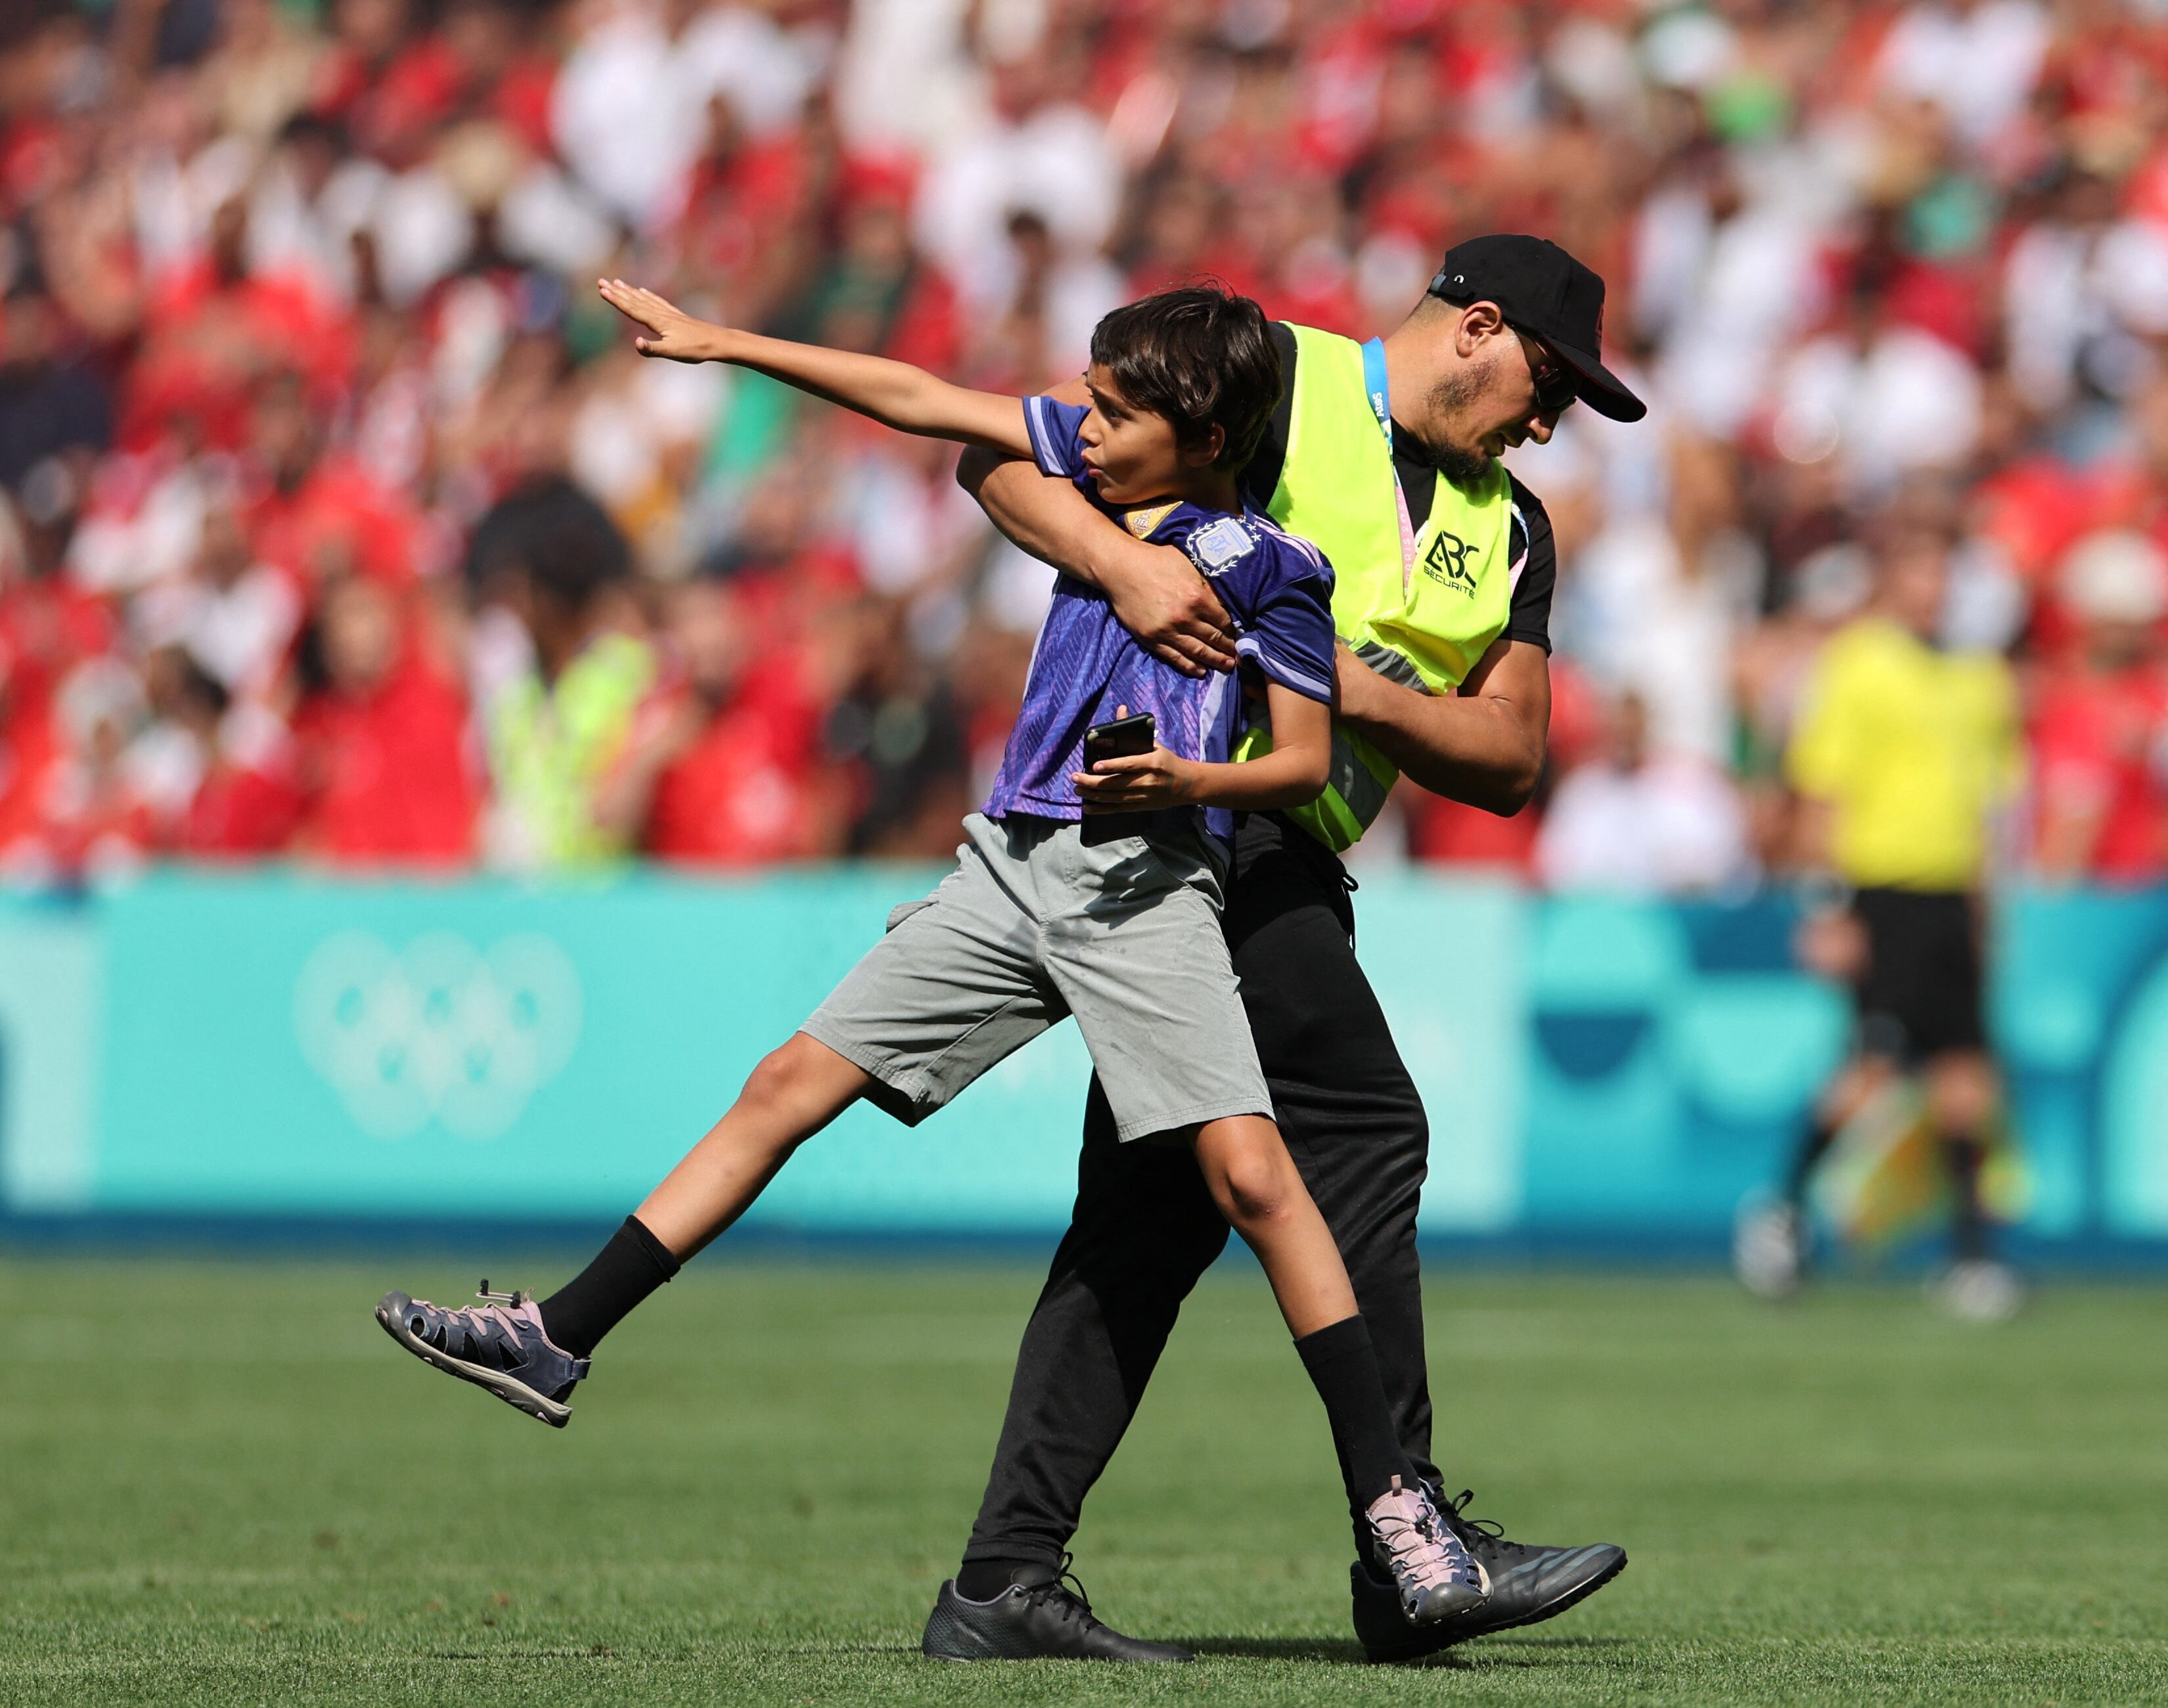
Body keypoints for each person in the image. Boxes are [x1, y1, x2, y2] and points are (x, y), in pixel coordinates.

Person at [375, 279, 1490, 1644]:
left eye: (1119, 413)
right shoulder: (1100, 497)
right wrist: (729, 340)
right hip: (1012, 865)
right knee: (791, 1076)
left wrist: (1185, 780)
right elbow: (916, 399)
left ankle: (1395, 1504)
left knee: (1258, 1178)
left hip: (1148, 885)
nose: (1086, 427)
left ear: (1204, 441)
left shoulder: (1274, 574)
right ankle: (562, 1331)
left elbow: (1308, 763)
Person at [938, 235, 1641, 1665]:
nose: (1549, 417)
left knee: (1148, 1218)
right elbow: (998, 459)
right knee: (1367, 1129)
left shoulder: (1512, 528)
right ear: (1478, 326)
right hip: (1195, 836)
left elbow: (1510, 757)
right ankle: (1410, 1544)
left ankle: (1004, 1578)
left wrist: (1338, 675)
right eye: (1549, 381)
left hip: (1279, 851)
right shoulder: (1273, 375)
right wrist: (1126, 567)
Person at [1733, 516, 2025, 1320]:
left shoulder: (1979, 680)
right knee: (1872, 1069)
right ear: (1892, 584)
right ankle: (1783, 1208)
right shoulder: (1858, 667)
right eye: (1919, 577)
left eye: (1943, 578)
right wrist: (1831, 904)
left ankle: (1972, 1254)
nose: (1932, 594)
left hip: (1949, 894)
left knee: (1967, 1076)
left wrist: (1985, 910)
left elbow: (1992, 809)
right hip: (1883, 891)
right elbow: (1823, 791)